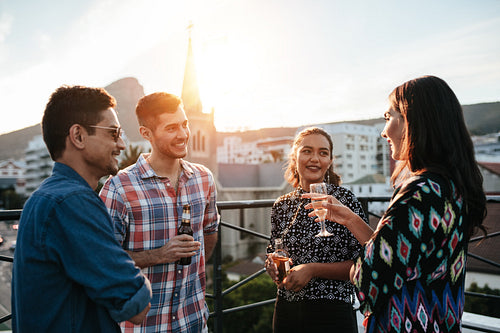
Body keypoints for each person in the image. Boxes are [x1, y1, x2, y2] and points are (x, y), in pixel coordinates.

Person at [306, 76, 487, 332]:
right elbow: (399, 255)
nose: (384, 131)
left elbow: (370, 275)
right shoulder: (450, 188)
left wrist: (313, 268)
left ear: (412, 122)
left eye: (388, 117)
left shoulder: (417, 192)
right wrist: (349, 218)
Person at [11, 85, 152, 332]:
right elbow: (136, 304)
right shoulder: (73, 202)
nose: (121, 143)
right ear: (78, 136)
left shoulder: (41, 197)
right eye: (113, 132)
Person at [100, 92, 220, 333]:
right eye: (172, 128)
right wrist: (158, 255)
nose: (183, 134)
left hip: (194, 322)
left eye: (185, 124)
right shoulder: (119, 188)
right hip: (144, 327)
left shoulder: (204, 178)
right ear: (147, 134)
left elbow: (209, 233)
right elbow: (103, 260)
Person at [265, 126, 368, 332]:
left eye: (323, 153)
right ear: (294, 157)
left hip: (333, 311)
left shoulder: (345, 201)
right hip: (288, 309)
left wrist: (312, 270)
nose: (315, 158)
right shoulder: (281, 205)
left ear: (329, 161)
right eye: (307, 151)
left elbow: (363, 263)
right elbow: (274, 249)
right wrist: (272, 265)